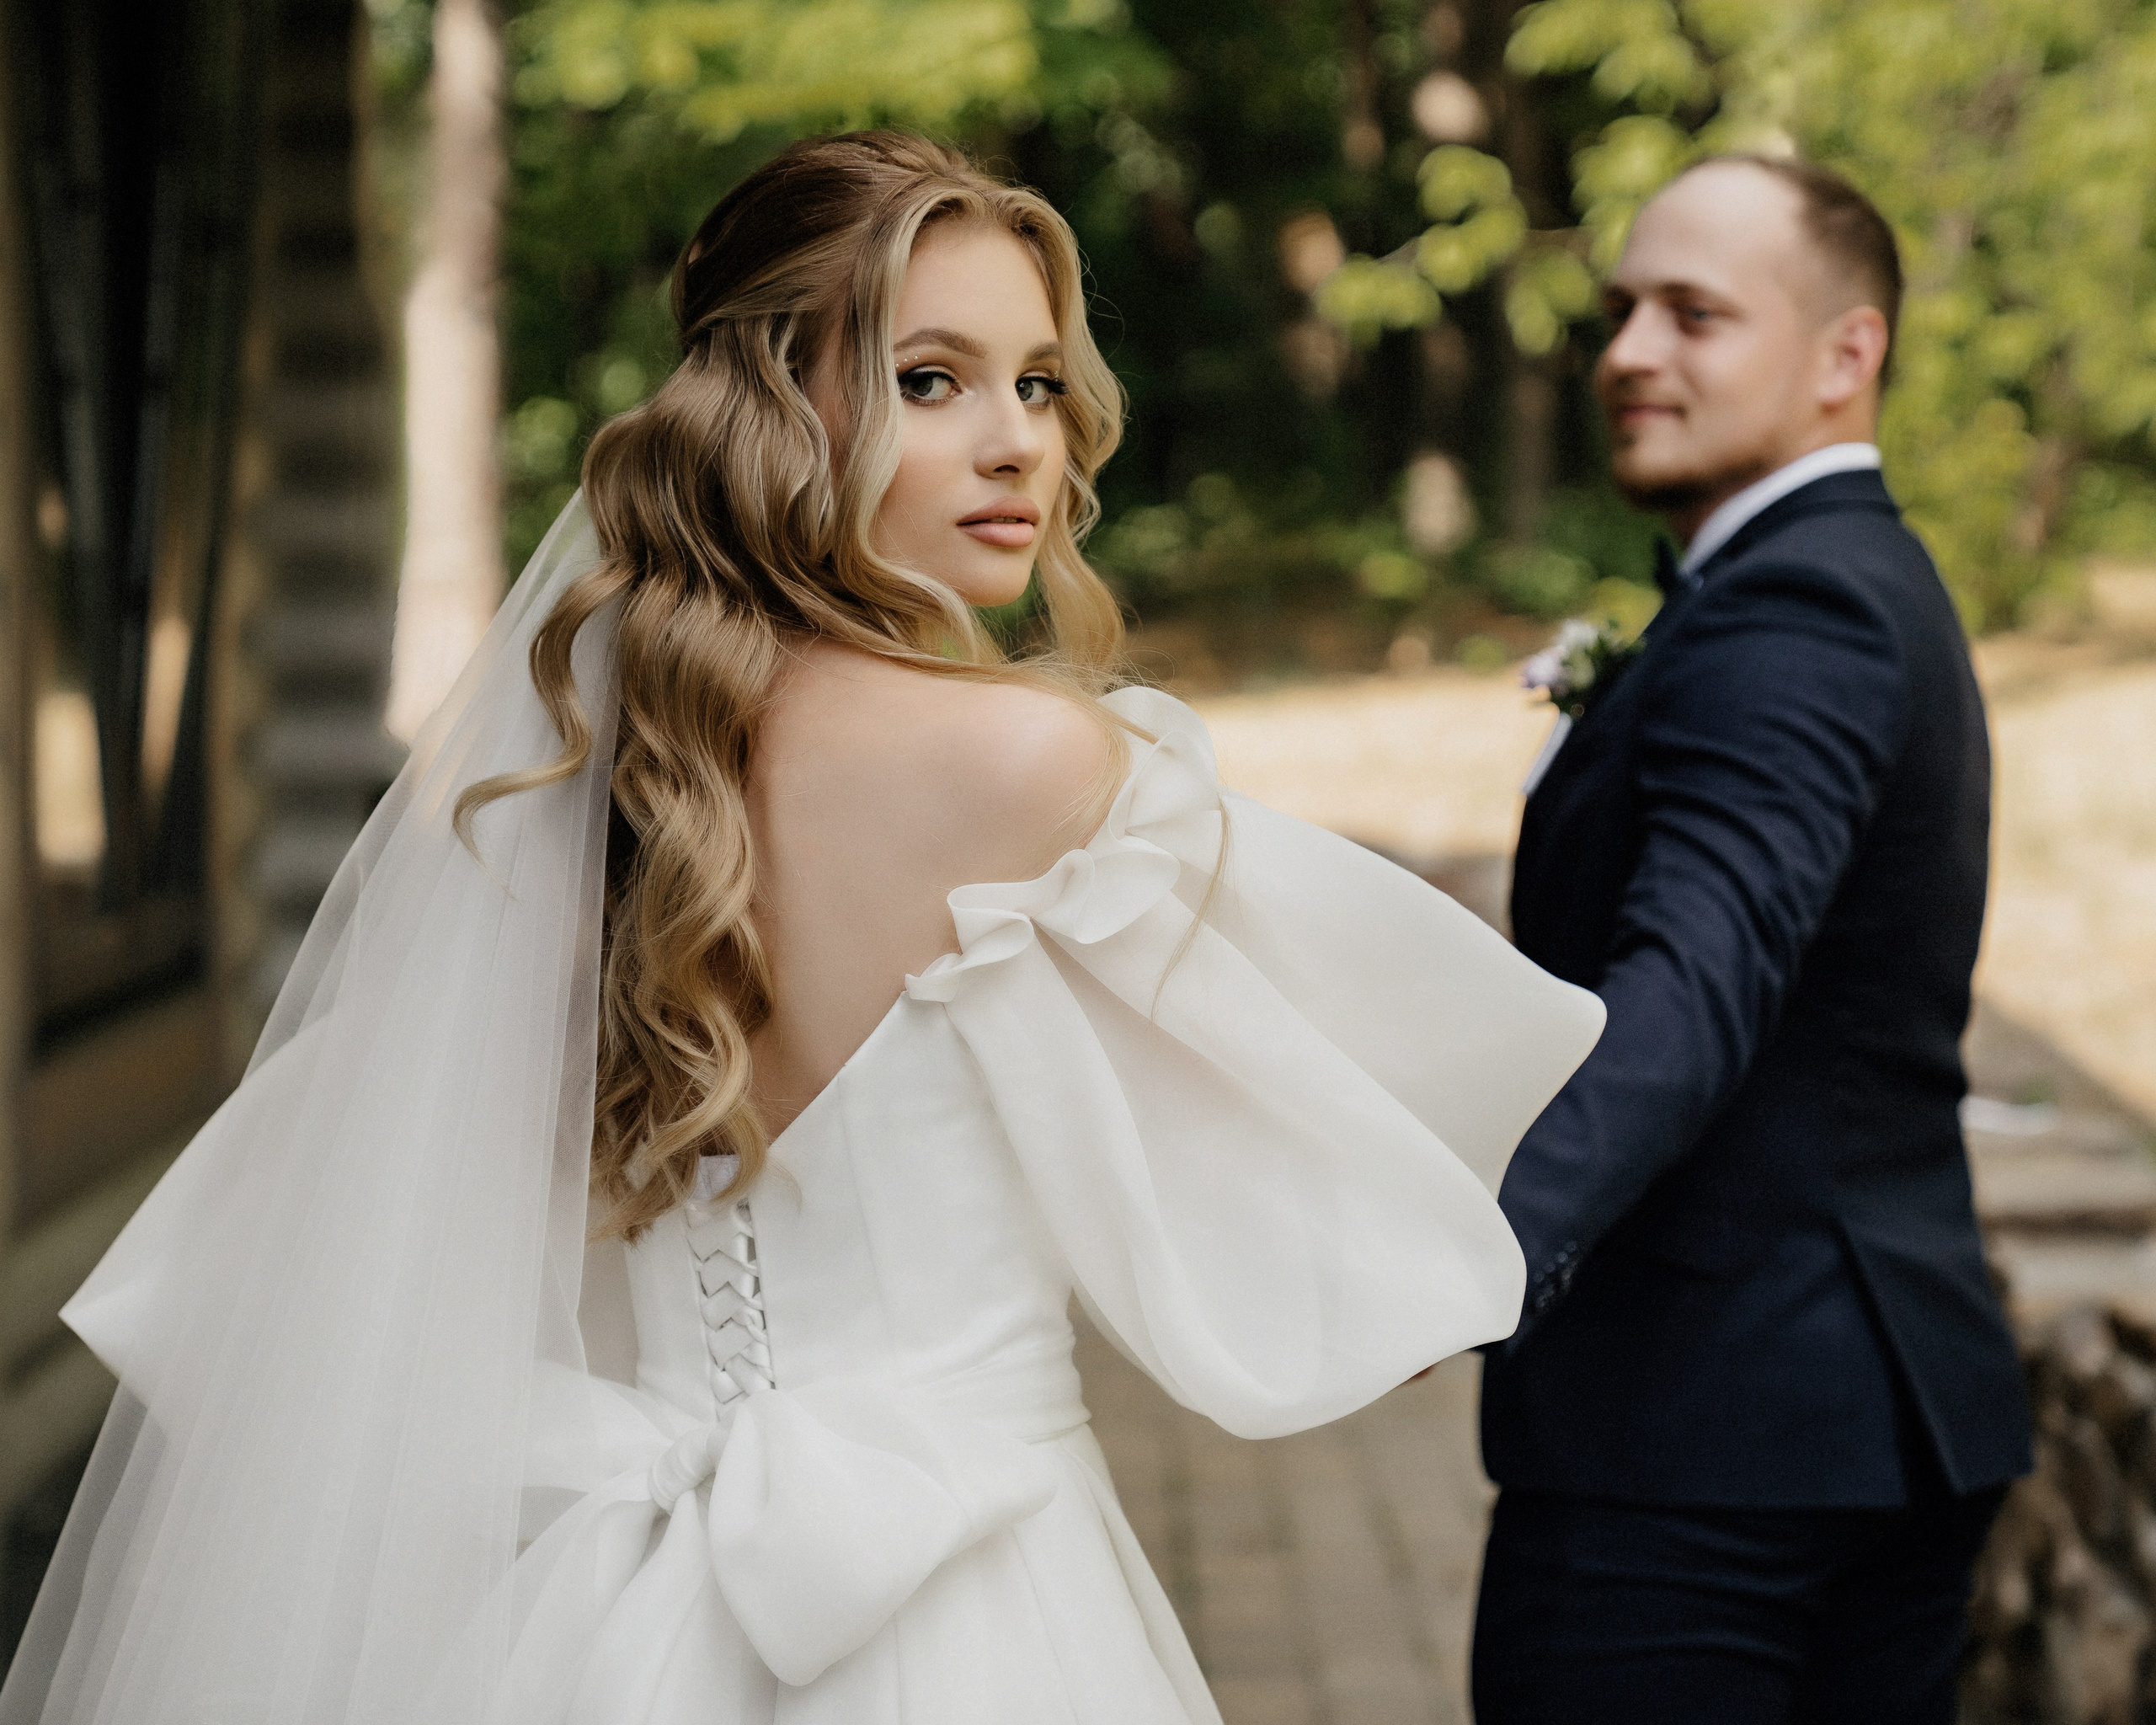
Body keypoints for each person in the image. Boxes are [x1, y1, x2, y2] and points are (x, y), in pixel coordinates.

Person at [0, 134, 1602, 1725]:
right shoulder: (1032, 764)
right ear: (780, 406)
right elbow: (1345, 1173)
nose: (1015, 446)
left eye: (1038, 386)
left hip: (602, 1629)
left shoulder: (597, 772)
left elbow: (321, 1248)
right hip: (974, 1609)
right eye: (930, 380)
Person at [1472, 155, 2032, 1722]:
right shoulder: (1832, 583)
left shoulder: (1800, 612)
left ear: (1847, 354)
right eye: (1621, 309)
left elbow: (1695, 982)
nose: (1630, 350)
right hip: (1850, 1401)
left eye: (1694, 314)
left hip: (1712, 1444)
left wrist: (1464, 1256)